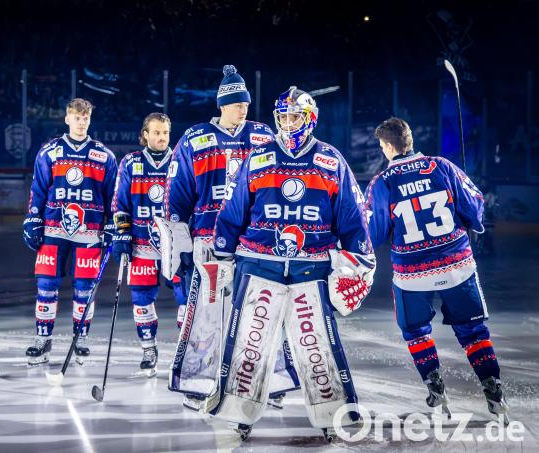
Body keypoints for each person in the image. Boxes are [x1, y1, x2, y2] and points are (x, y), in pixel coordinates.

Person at [209, 86, 375, 440]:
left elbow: (351, 215)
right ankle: (240, 411)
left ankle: (334, 414)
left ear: (310, 118)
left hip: (311, 268)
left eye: (294, 116)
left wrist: (358, 256)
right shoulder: (259, 158)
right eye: (282, 117)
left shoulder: (331, 161)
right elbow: (234, 209)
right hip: (258, 265)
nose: (287, 123)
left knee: (316, 344)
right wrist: (222, 253)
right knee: (249, 342)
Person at [158, 65, 288, 409]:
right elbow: (177, 194)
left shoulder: (263, 136)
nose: (243, 108)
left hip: (254, 241)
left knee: (259, 313)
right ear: (222, 105)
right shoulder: (195, 138)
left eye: (246, 103)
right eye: (236, 103)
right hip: (209, 242)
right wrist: (181, 242)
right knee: (206, 316)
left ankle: (266, 382)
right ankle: (199, 383)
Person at [364, 117, 508, 422]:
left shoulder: (383, 182)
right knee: (473, 331)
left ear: (388, 146)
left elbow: (373, 233)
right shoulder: (442, 166)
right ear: (410, 141)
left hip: (412, 273)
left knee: (415, 331)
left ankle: (434, 384)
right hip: (457, 264)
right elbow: (474, 206)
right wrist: (472, 220)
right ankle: (492, 387)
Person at [23, 98, 117, 365]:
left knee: (85, 288)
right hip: (53, 229)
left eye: (85, 117)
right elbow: (38, 189)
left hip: (89, 233)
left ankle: (81, 339)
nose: (81, 121)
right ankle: (43, 339)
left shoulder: (104, 155)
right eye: (76, 117)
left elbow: (113, 197)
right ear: (67, 119)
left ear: (90, 120)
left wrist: (112, 224)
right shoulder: (50, 151)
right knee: (46, 286)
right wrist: (32, 219)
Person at [111, 112, 186, 376]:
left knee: (185, 299)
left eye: (165, 133)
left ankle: (183, 353)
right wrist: (122, 233)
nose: (161, 137)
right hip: (142, 245)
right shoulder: (130, 163)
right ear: (145, 135)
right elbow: (120, 203)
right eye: (156, 132)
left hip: (175, 246)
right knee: (141, 300)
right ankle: (148, 349)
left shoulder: (179, 161)